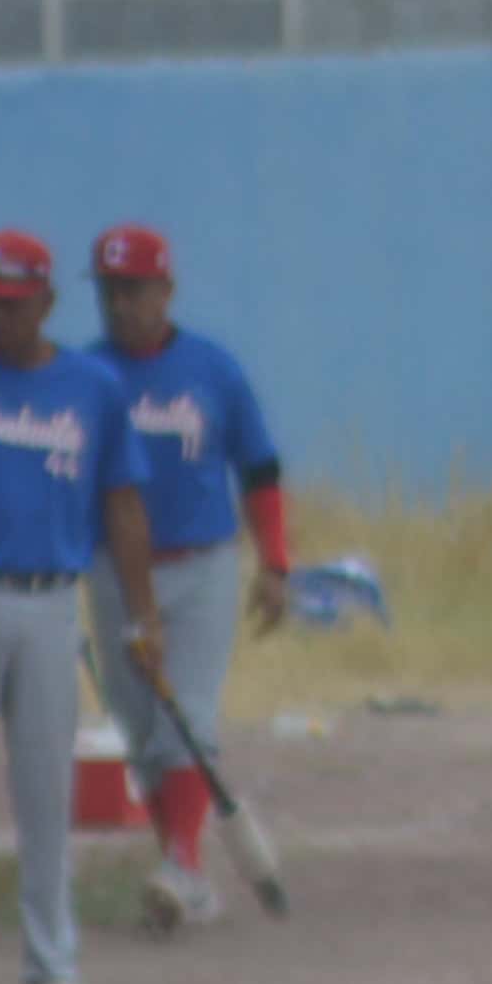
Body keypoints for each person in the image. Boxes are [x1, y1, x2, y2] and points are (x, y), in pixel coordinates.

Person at [0, 231, 170, 984]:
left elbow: (123, 504)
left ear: (46, 301)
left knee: (45, 791)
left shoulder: (90, 387)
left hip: (52, 598)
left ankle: (51, 968)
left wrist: (141, 612)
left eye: (12, 303)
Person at [80, 229, 284, 934]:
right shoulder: (86, 376)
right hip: (114, 571)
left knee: (186, 719)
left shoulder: (213, 371)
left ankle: (185, 864)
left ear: (166, 291)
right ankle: (183, 871)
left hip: (202, 566)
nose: (120, 305)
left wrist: (275, 563)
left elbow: (259, 468)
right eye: (108, 292)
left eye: (133, 290)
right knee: (141, 728)